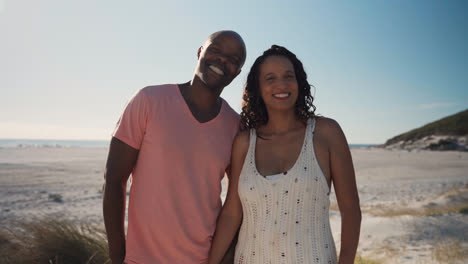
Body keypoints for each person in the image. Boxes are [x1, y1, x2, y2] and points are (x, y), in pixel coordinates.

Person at [207, 45, 361, 264]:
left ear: (299, 82)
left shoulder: (326, 133)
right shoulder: (245, 143)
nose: (281, 84)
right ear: (258, 88)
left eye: (289, 76)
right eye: (270, 78)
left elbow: (351, 210)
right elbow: (232, 212)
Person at [103, 30, 246, 264]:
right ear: (200, 52)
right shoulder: (148, 100)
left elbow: (238, 202)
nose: (222, 60)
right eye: (216, 50)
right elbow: (114, 179)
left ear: (237, 72)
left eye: (232, 59)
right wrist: (118, 255)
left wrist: (225, 256)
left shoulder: (235, 126)